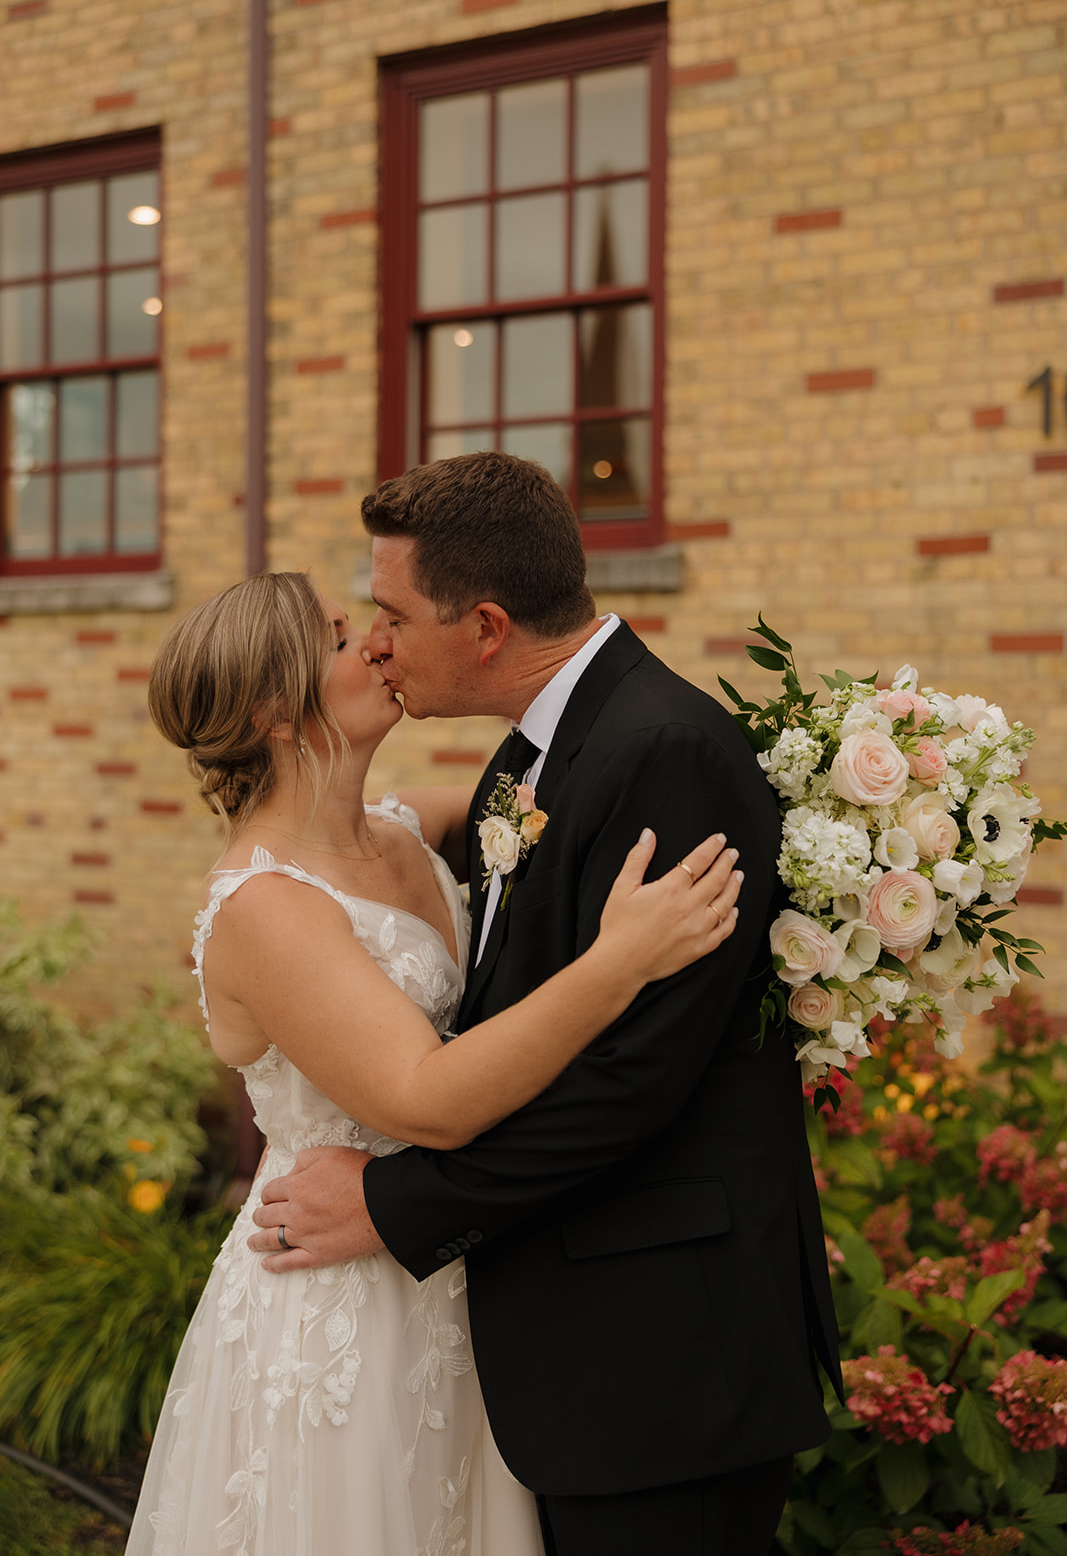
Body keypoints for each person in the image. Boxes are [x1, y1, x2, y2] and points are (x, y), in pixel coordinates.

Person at [249, 453, 842, 1556]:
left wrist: (395, 1201)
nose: (373, 641)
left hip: (662, 1357)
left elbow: (628, 1085)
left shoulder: (659, 752)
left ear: (482, 626)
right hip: (582, 1350)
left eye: (388, 614)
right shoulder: (538, 752)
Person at [124, 568, 742, 1556]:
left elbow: (577, 781)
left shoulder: (408, 828)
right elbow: (429, 1099)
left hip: (460, 1269)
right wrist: (621, 958)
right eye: (338, 636)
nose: (377, 642)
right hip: (343, 1301)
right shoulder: (263, 906)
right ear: (268, 709)